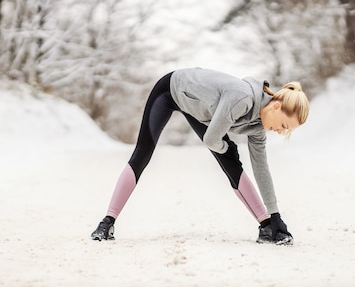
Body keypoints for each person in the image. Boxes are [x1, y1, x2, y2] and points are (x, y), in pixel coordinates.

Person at [90, 67, 309, 244]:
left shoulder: (259, 128)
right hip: (171, 90)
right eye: (283, 125)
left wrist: (275, 215)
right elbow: (212, 140)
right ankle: (107, 221)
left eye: (285, 130)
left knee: (231, 162)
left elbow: (261, 168)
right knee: (143, 153)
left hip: (201, 112)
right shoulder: (241, 98)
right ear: (276, 106)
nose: (280, 132)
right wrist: (226, 147)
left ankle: (266, 226)